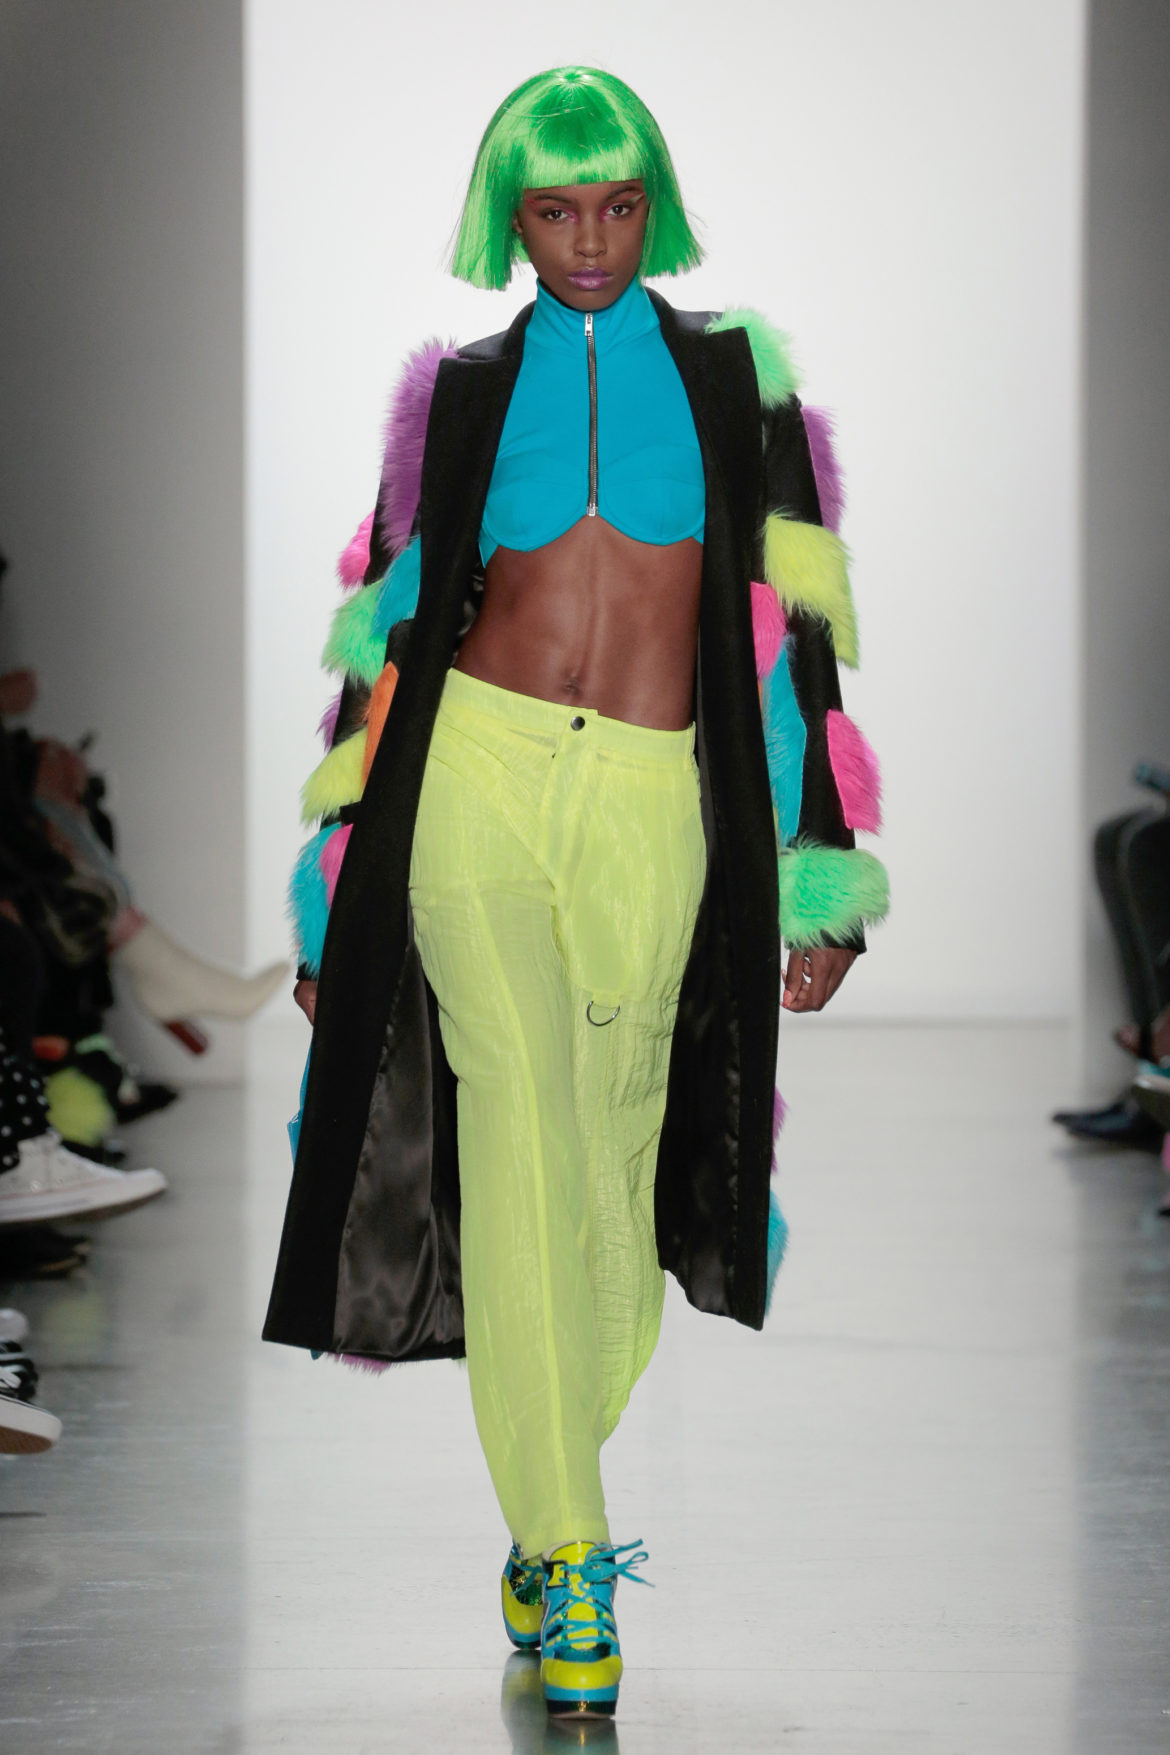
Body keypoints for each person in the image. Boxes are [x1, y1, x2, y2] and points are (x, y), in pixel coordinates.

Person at [265, 67, 888, 1720]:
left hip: (650, 805)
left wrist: (817, 875)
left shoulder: (740, 385)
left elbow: (797, 643)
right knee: (521, 1138)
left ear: (652, 207)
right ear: (510, 219)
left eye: (615, 206)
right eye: (554, 210)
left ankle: (547, 1488)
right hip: (473, 781)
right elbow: (382, 634)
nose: (589, 241)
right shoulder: (455, 396)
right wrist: (334, 888)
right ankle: (570, 1550)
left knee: (613, 1173)